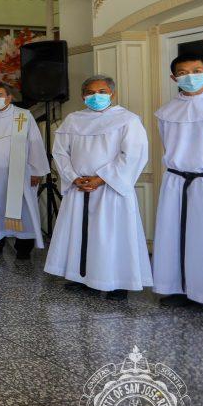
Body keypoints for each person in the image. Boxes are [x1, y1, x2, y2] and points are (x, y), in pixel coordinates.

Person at [44, 75, 150, 300]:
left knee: (112, 235)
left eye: (102, 92)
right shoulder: (73, 120)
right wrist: (73, 177)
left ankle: (118, 283)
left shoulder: (127, 120)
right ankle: (84, 277)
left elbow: (132, 154)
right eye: (91, 93)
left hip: (111, 188)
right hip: (79, 187)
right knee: (82, 234)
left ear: (113, 94)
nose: (96, 96)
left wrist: (101, 178)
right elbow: (60, 152)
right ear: (83, 96)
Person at [151, 54, 203, 307]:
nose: (190, 76)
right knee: (176, 235)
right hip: (177, 181)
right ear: (173, 77)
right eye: (183, 72)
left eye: (196, 70)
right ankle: (182, 289)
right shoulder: (168, 111)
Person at [0, 83, 49, 260]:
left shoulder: (23, 116)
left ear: (9, 97)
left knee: (23, 208)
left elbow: (35, 143)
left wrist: (37, 171)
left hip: (20, 174)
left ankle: (23, 247)